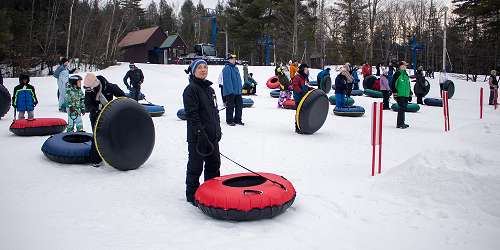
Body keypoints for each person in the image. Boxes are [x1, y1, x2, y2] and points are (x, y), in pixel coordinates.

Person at [182, 59, 222, 206]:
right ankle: (192, 194)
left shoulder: (210, 90)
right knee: (196, 166)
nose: (203, 70)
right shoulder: (190, 90)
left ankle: (211, 191)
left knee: (214, 164)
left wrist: (218, 130)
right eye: (199, 67)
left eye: (205, 67)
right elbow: (192, 115)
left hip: (212, 136)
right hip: (197, 137)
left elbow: (215, 112)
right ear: (193, 71)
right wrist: (200, 133)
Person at [221, 54, 244, 126]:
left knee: (239, 106)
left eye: (234, 59)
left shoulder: (236, 68)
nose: (234, 60)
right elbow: (227, 81)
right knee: (230, 106)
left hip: (237, 92)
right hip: (230, 92)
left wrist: (240, 89)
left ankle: (238, 119)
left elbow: (239, 80)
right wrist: (230, 91)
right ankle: (229, 120)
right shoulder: (227, 68)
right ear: (229, 60)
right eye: (232, 59)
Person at [292, 64, 313, 134]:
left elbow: (306, 86)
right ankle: (297, 127)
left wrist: (311, 89)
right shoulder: (297, 77)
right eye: (306, 70)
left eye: (307, 70)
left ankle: (303, 125)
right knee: (298, 112)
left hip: (305, 97)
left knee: (304, 112)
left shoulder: (305, 78)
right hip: (299, 98)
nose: (307, 71)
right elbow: (295, 85)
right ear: (302, 70)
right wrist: (300, 92)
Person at [391, 61, 411, 129]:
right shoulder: (397, 74)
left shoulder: (406, 74)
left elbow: (408, 85)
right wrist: (394, 92)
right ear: (401, 66)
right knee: (401, 108)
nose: (405, 66)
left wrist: (410, 94)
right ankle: (399, 123)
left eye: (406, 65)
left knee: (404, 108)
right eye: (404, 65)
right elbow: (393, 84)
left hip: (406, 94)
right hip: (400, 94)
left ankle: (402, 122)